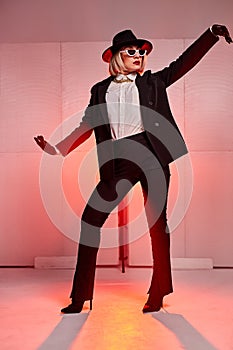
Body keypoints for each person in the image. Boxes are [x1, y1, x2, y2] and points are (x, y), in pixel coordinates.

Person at [35, 24, 232, 314]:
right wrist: (57, 149)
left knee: (156, 226)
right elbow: (86, 126)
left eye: (142, 52)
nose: (139, 55)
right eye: (132, 51)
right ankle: (80, 297)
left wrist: (211, 36)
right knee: (91, 219)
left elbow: (183, 64)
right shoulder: (99, 90)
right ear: (116, 56)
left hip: (153, 156)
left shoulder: (152, 82)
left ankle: (159, 292)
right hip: (118, 162)